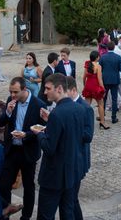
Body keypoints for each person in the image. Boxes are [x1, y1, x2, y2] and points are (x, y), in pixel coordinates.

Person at [33, 73, 87, 220]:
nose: (44, 92)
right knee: (67, 213)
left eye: (47, 88)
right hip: (72, 171)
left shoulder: (57, 113)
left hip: (54, 175)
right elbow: (69, 135)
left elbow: (49, 148)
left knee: (45, 215)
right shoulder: (79, 109)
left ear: (59, 89)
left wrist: (39, 133)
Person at [0, 77, 46, 220]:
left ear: (25, 89)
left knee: (28, 187)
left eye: (15, 92)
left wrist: (26, 135)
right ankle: (5, 214)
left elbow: (42, 129)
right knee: (4, 184)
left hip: (28, 151)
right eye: (10, 92)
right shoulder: (11, 101)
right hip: (11, 150)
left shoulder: (38, 104)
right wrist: (7, 111)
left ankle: (25, 217)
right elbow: (1, 122)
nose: (12, 95)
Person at [66, 75, 95, 220]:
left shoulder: (86, 108)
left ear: (72, 90)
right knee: (69, 198)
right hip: (68, 159)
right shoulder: (65, 106)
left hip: (79, 158)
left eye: (65, 92)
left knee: (72, 198)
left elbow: (88, 136)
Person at [82, 50, 109, 129]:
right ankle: (102, 122)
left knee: (86, 105)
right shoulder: (98, 66)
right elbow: (100, 79)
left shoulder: (87, 64)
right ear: (97, 58)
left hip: (88, 86)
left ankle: (83, 121)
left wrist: (85, 86)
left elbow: (84, 77)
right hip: (95, 87)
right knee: (100, 104)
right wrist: (103, 88)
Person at [100, 41, 121, 124]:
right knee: (114, 99)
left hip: (105, 79)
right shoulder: (117, 57)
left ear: (107, 48)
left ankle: (102, 115)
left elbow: (100, 68)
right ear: (114, 47)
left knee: (104, 98)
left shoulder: (103, 57)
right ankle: (113, 117)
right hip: (114, 80)